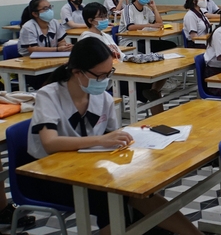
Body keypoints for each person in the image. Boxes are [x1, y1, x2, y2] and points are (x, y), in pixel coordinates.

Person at [25, 38, 202, 235]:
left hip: (90, 167)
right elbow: (49, 143)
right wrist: (100, 140)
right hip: (51, 175)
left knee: (137, 188)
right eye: (100, 76)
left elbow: (113, 138)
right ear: (77, 72)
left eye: (109, 73)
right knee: (111, 196)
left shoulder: (103, 98)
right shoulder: (49, 95)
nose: (105, 81)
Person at [117, 0, 171, 113]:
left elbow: (159, 23)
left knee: (169, 47)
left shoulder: (147, 10)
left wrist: (154, 8)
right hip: (130, 42)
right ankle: (147, 84)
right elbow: (130, 27)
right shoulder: (128, 9)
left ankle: (155, 87)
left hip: (146, 39)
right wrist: (148, 25)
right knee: (148, 53)